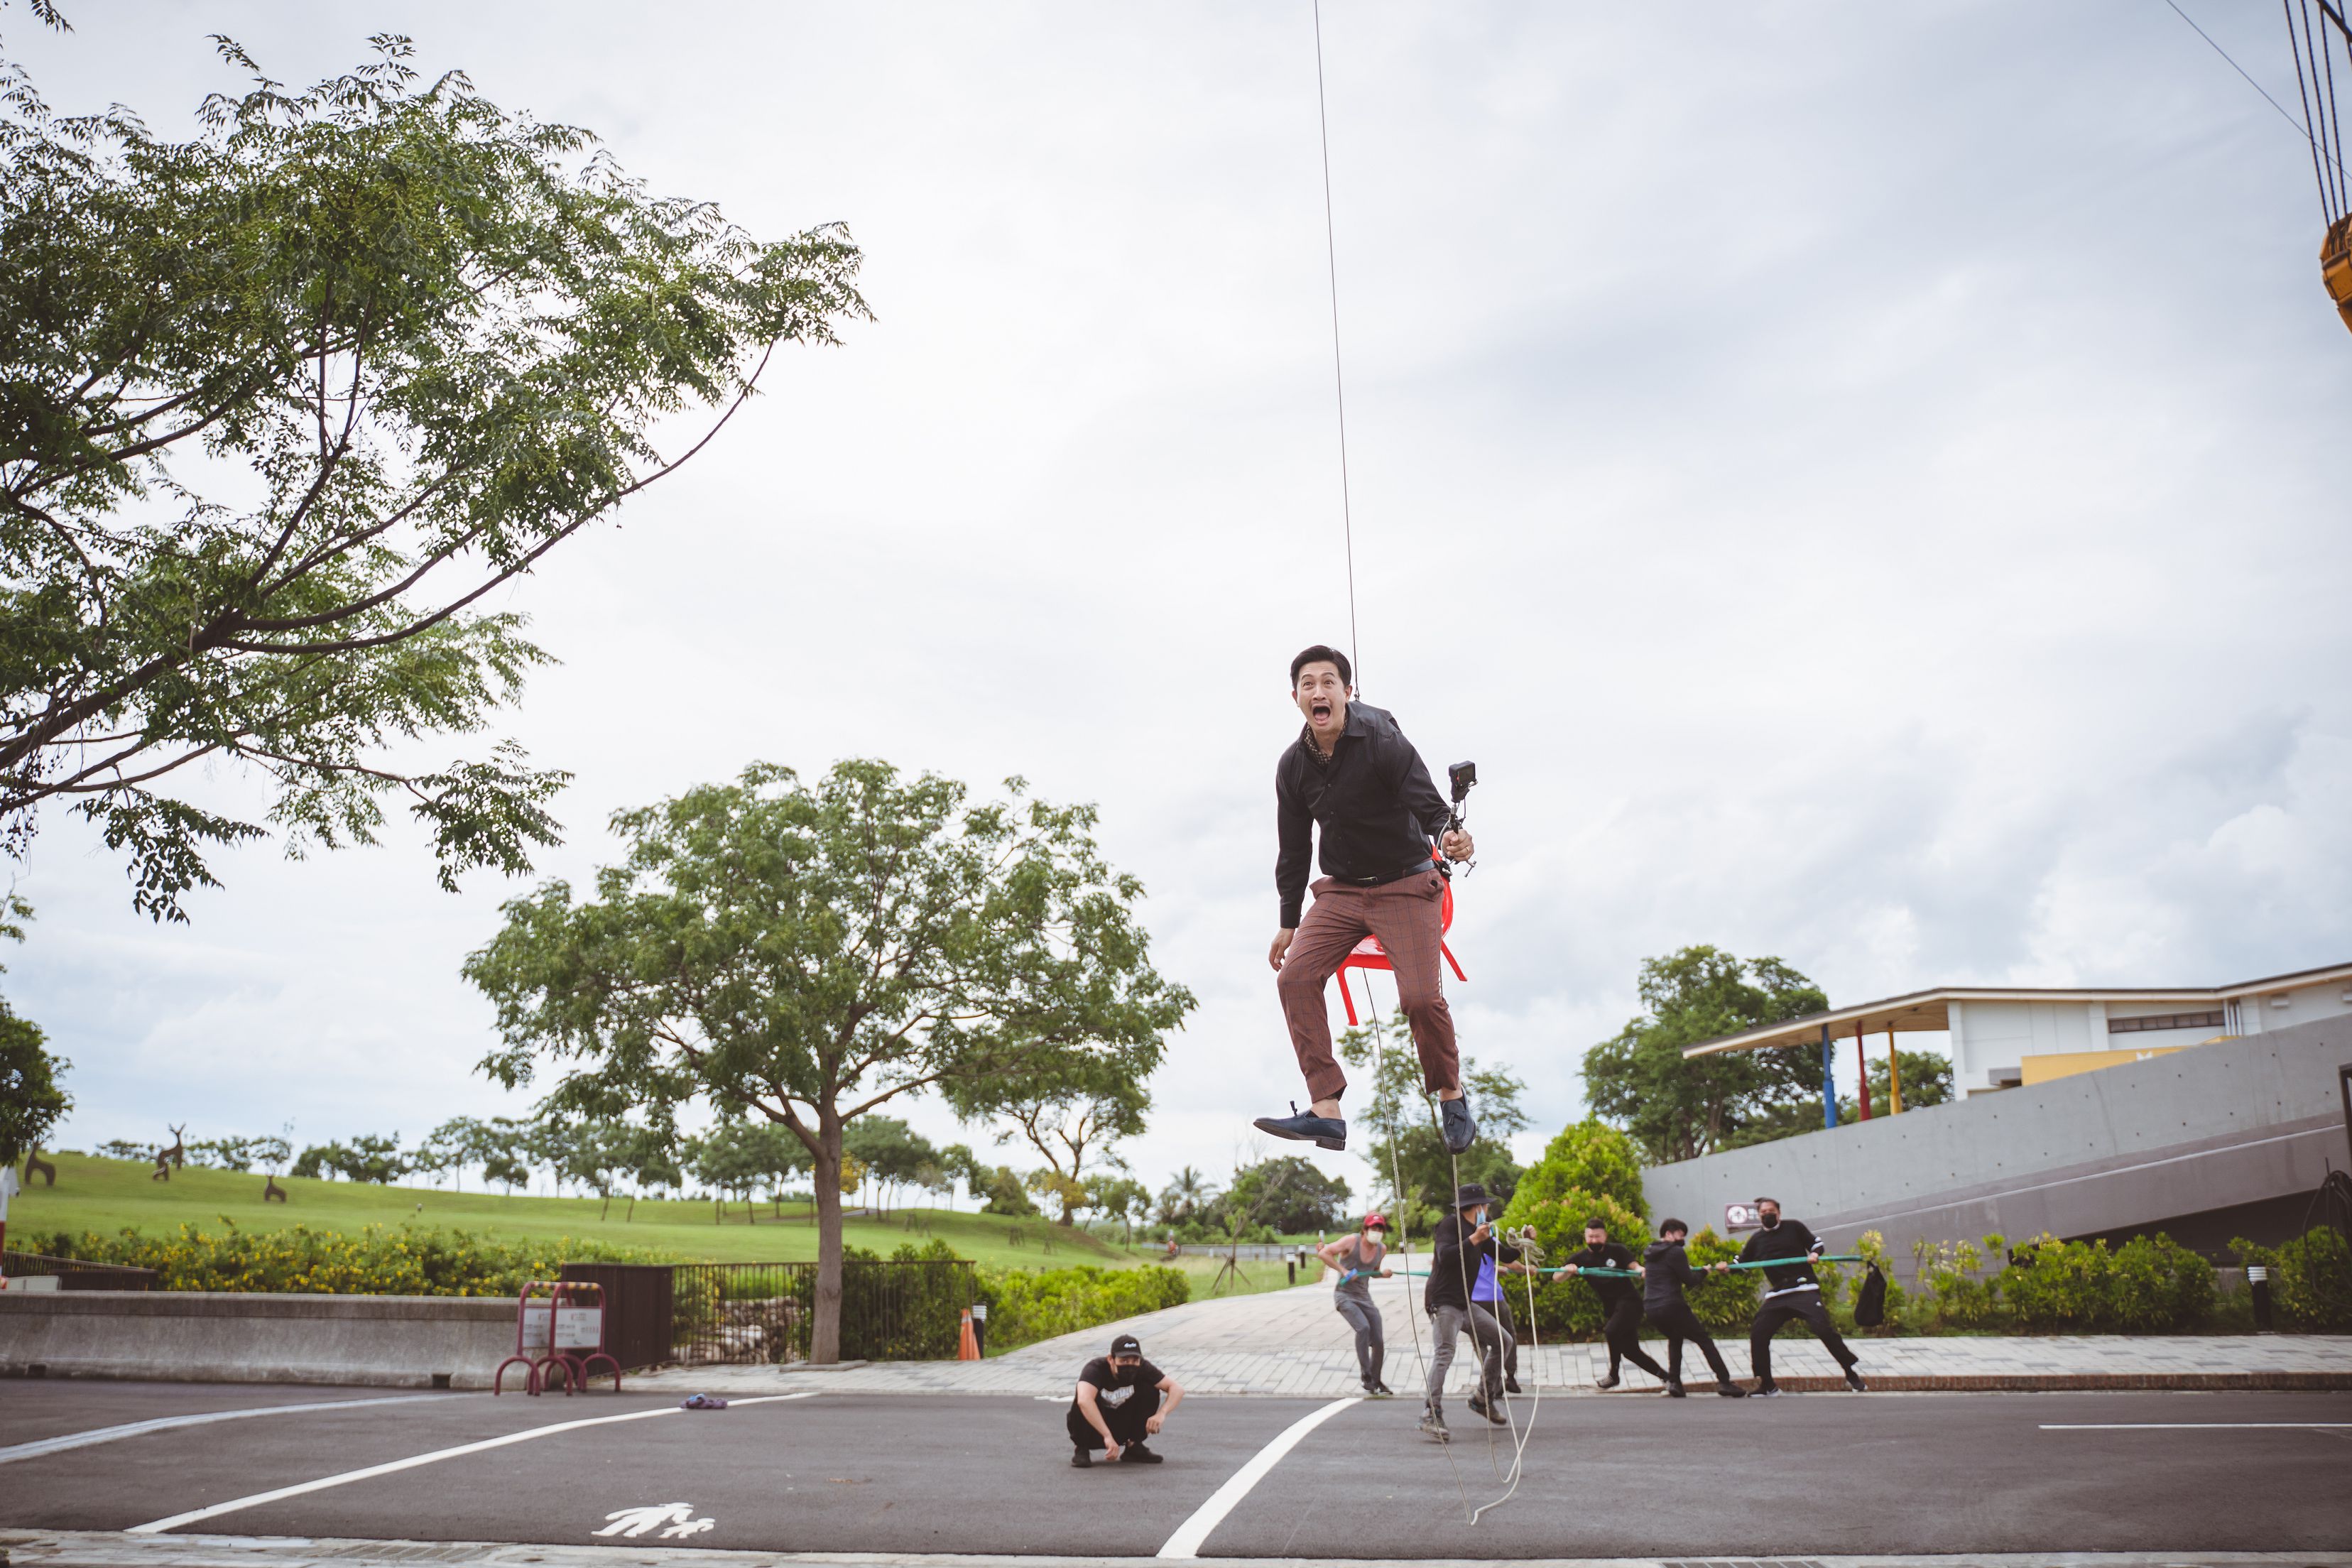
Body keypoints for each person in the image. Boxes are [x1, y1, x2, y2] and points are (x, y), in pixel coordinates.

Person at [1256, 644, 1477, 1156]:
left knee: (1420, 999)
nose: (1319, 691)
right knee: (1295, 977)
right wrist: (1289, 921)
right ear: (1296, 698)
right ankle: (1326, 1111)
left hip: (1405, 882)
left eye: (1328, 682)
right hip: (1342, 890)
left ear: (1347, 692)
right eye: (1308, 684)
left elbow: (1430, 807)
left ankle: (1451, 1093)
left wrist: (1451, 836)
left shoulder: (1383, 740)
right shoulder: (1292, 767)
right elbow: (1294, 850)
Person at [1738, 1197, 1866, 1395]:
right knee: (1758, 1334)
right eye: (1763, 1213)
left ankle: (1851, 1374)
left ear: (1779, 1213)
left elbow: (1816, 1244)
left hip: (1804, 1288)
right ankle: (1768, 1385)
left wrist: (1815, 1255)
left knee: (1823, 1329)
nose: (1767, 1215)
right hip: (1778, 1294)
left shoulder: (1794, 1227)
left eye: (1770, 1211)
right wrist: (1726, 1267)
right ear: (1759, 1216)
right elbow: (1742, 1264)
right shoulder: (1756, 1239)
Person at [1421, 1182, 1517, 1439]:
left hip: (1465, 1302)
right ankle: (1431, 1412)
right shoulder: (1450, 1225)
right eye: (1486, 1205)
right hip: (1444, 1302)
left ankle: (1481, 1398)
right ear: (1477, 1207)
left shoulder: (1478, 1230)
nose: (1488, 1210)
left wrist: (1524, 1242)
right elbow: (1445, 1255)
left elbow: (1503, 1254)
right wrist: (1475, 1239)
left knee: (1503, 1341)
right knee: (1445, 1353)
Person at [1640, 1219, 1746, 1398]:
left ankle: (1675, 1382)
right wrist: (1704, 1271)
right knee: (1704, 1341)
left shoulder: (1650, 1252)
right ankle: (1725, 1382)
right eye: (1681, 1236)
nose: (1683, 1240)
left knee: (1675, 1339)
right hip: (1672, 1305)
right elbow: (1690, 1281)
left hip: (1651, 1307)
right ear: (1669, 1234)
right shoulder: (1676, 1252)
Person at [1561, 1218, 1672, 1390]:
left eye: (1597, 1236)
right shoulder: (1580, 1258)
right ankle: (1667, 1378)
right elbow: (1556, 1277)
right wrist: (1567, 1272)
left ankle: (1614, 1375)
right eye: (1590, 1237)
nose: (1594, 1241)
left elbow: (1634, 1265)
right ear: (1585, 1236)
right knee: (1631, 1352)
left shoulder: (1617, 1250)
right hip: (1613, 1308)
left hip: (1630, 1303)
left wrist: (1641, 1270)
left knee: (1611, 1331)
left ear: (1605, 1235)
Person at [1068, 1333, 1185, 1467]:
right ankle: (1082, 1448)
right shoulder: (1095, 1368)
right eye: (1124, 1361)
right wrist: (1107, 1436)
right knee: (1084, 1397)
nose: (1130, 1365)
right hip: (1095, 1427)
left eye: (1134, 1361)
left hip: (1121, 1425)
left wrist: (1161, 1414)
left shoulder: (1143, 1367)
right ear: (1111, 1359)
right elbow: (1084, 1401)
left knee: (1151, 1389)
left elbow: (1177, 1389)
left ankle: (1134, 1445)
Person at [1317, 1212, 1396, 1396]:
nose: (1376, 1232)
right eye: (1373, 1228)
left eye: (1380, 1229)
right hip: (1344, 1296)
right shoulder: (1351, 1241)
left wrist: (1383, 1274)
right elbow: (1324, 1254)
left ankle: (1376, 1381)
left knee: (1378, 1339)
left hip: (1364, 1297)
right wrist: (1343, 1270)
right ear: (1365, 1230)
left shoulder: (1381, 1249)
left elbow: (1373, 1272)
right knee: (1363, 1328)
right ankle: (1366, 1375)